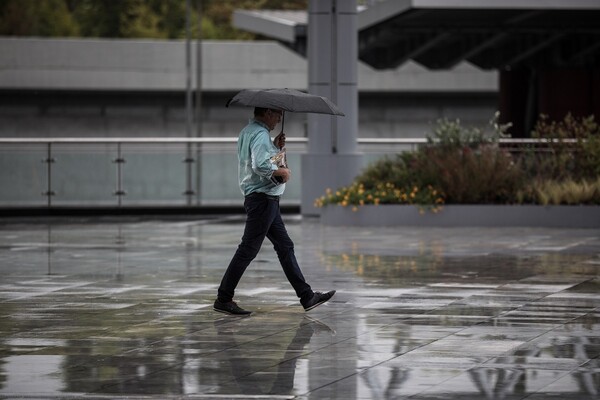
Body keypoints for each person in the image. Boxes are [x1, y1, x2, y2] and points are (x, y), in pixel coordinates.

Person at [214, 107, 335, 315]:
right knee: (248, 250)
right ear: (267, 113)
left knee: (285, 246)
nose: (279, 119)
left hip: (263, 199)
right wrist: (282, 172)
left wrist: (274, 146)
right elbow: (260, 165)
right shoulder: (260, 134)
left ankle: (307, 297)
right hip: (263, 200)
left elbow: (258, 159)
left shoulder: (249, 131)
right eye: (277, 114)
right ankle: (223, 298)